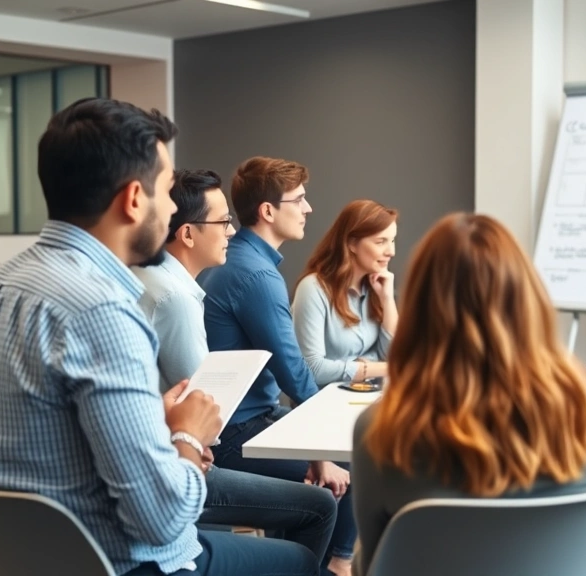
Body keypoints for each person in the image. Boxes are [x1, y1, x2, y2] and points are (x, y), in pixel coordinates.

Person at [0, 98, 318, 576]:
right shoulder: (103, 310)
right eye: (165, 192)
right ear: (134, 199)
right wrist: (186, 435)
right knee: (301, 561)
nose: (171, 210)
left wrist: (152, 419)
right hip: (117, 561)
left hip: (6, 560)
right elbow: (162, 519)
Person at [352, 213, 586, 576]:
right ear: (527, 300)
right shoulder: (584, 411)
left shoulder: (382, 431)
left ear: (422, 309)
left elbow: (373, 566)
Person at [132, 168, 337, 568]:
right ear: (188, 234)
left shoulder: (157, 281)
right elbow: (206, 410)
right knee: (321, 504)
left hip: (183, 450)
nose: (231, 231)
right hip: (185, 463)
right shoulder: (176, 298)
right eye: (223, 222)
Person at [199, 157, 355, 576]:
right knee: (352, 464)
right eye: (299, 199)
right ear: (268, 211)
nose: (308, 209)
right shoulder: (255, 275)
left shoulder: (241, 261)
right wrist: (318, 450)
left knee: (338, 463)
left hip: (246, 421)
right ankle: (337, 567)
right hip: (236, 434)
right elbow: (295, 373)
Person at [292, 200, 399, 387]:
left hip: (365, 400)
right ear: (351, 243)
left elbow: (394, 355)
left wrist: (387, 300)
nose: (391, 252)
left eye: (392, 240)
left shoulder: (375, 287)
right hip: (325, 406)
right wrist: (378, 368)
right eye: (380, 241)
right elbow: (312, 368)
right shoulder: (313, 288)